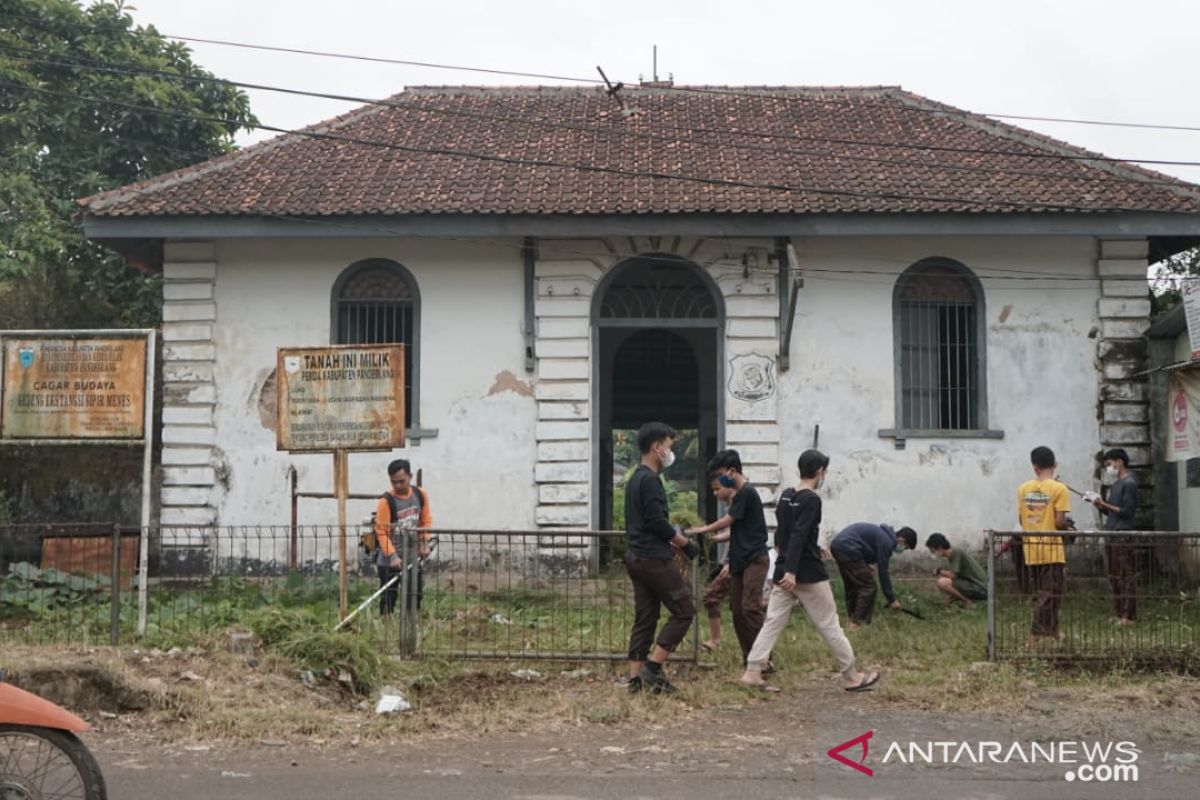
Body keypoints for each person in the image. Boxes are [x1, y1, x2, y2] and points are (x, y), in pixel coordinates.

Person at [740, 450, 879, 693]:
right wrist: (794, 570)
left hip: (784, 569)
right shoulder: (812, 499)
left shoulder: (786, 496)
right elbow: (799, 533)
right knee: (829, 623)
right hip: (806, 573)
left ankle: (752, 670)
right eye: (824, 471)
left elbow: (785, 534)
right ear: (819, 472)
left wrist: (794, 562)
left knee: (772, 622)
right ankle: (851, 676)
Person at [624, 422, 699, 695]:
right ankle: (653, 669)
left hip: (635, 556)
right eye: (669, 445)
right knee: (684, 610)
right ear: (657, 447)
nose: (670, 451)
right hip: (653, 559)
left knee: (645, 617)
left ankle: (635, 681)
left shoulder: (634, 478)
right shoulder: (651, 480)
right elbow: (657, 522)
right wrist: (685, 544)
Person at [686, 450, 770, 666]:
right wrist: (717, 537)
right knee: (738, 612)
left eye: (721, 475)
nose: (719, 480)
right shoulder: (740, 496)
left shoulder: (746, 493)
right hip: (739, 560)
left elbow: (729, 520)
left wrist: (705, 528)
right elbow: (737, 529)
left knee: (750, 609)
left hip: (754, 559)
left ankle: (763, 656)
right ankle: (749, 658)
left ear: (732, 472)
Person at [1018, 446, 1071, 646]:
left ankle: (1054, 631)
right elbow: (1059, 522)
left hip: (1031, 547)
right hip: (1052, 549)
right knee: (1051, 593)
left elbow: (1021, 519)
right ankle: (1035, 635)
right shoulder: (1059, 489)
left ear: (1035, 467)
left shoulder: (1023, 489)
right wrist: (1070, 530)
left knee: (1047, 591)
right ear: (1055, 464)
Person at [1084, 448, 1138, 625]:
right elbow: (1113, 513)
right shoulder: (1116, 485)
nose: (1109, 468)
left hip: (1123, 534)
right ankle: (1118, 612)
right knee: (1114, 576)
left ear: (1119, 462)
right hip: (1111, 533)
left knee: (1125, 575)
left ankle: (1128, 615)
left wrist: (1103, 503)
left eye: (1110, 464)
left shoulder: (1130, 484)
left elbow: (1127, 512)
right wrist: (1098, 504)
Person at [829, 522, 917, 629]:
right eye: (905, 547)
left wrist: (865, 565)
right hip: (849, 548)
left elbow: (863, 545)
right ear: (902, 540)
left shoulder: (883, 535)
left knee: (853, 585)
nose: (902, 549)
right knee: (868, 587)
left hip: (839, 546)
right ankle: (856, 623)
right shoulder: (887, 542)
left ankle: (851, 619)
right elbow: (883, 572)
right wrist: (891, 600)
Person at [374, 459, 432, 616]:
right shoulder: (386, 501)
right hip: (389, 559)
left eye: (402, 481)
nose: (398, 486)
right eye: (394, 482)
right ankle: (387, 627)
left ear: (410, 476)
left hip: (412, 556)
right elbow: (381, 532)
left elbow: (425, 521)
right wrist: (392, 556)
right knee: (388, 597)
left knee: (415, 594)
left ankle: (410, 627)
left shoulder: (420, 495)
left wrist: (424, 542)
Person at [926, 533, 987, 605]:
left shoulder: (955, 553)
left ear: (939, 547)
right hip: (979, 586)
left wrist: (939, 571)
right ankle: (954, 600)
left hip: (981, 588)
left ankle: (967, 601)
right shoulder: (954, 553)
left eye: (933, 551)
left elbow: (953, 576)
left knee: (942, 582)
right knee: (946, 579)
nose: (933, 554)